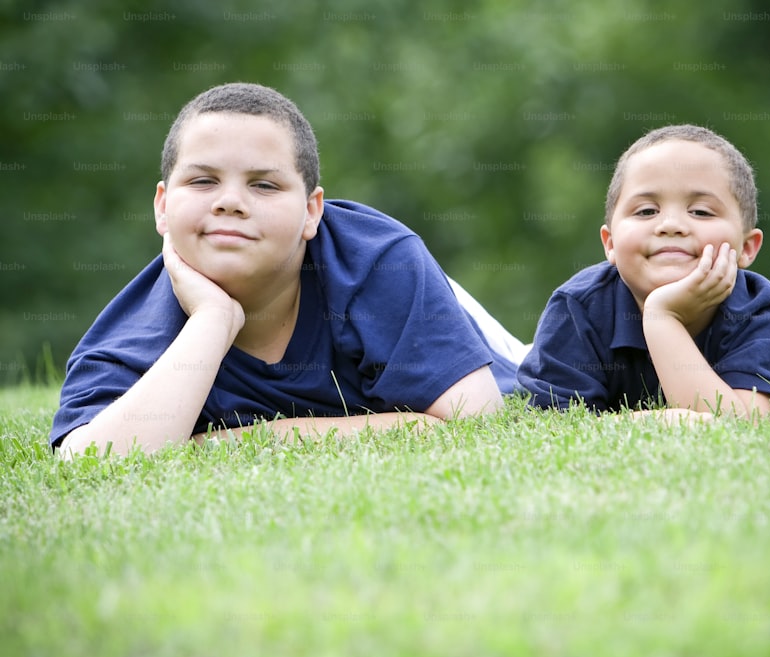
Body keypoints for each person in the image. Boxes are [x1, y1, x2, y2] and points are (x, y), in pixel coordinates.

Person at [51, 82, 525, 457]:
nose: (230, 202)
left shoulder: (379, 260)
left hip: (499, 355)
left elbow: (475, 421)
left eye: (264, 185)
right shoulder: (136, 329)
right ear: (162, 205)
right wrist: (213, 320)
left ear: (311, 211)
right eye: (202, 180)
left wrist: (232, 443)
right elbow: (90, 460)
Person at [517, 124, 770, 418]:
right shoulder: (576, 307)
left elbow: (739, 423)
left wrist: (661, 316)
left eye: (700, 211)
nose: (670, 224)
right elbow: (556, 422)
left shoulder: (760, 312)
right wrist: (656, 421)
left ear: (746, 248)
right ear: (610, 243)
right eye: (646, 211)